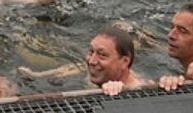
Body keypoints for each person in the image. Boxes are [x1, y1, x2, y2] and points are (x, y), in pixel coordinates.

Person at [16, 25, 147, 97]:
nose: (91, 61)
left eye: (102, 55)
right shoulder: (96, 70)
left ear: (124, 62)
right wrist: (38, 76)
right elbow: (75, 67)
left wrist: (121, 94)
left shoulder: (138, 90)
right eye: (91, 51)